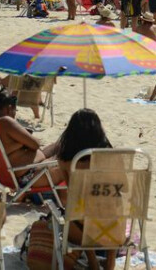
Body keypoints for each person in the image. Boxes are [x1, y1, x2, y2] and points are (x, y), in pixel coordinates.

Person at [54, 109, 114, 270]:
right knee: (113, 208)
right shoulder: (111, 156)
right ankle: (111, 262)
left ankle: (92, 260)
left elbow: (71, 192)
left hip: (81, 229)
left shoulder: (65, 160)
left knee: (76, 211)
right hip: (114, 229)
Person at [0, 92, 59, 186]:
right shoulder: (6, 121)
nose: (15, 114)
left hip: (24, 171)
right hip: (31, 176)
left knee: (61, 143)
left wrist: (19, 143)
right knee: (69, 157)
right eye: (15, 110)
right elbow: (35, 144)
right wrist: (22, 142)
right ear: (9, 108)